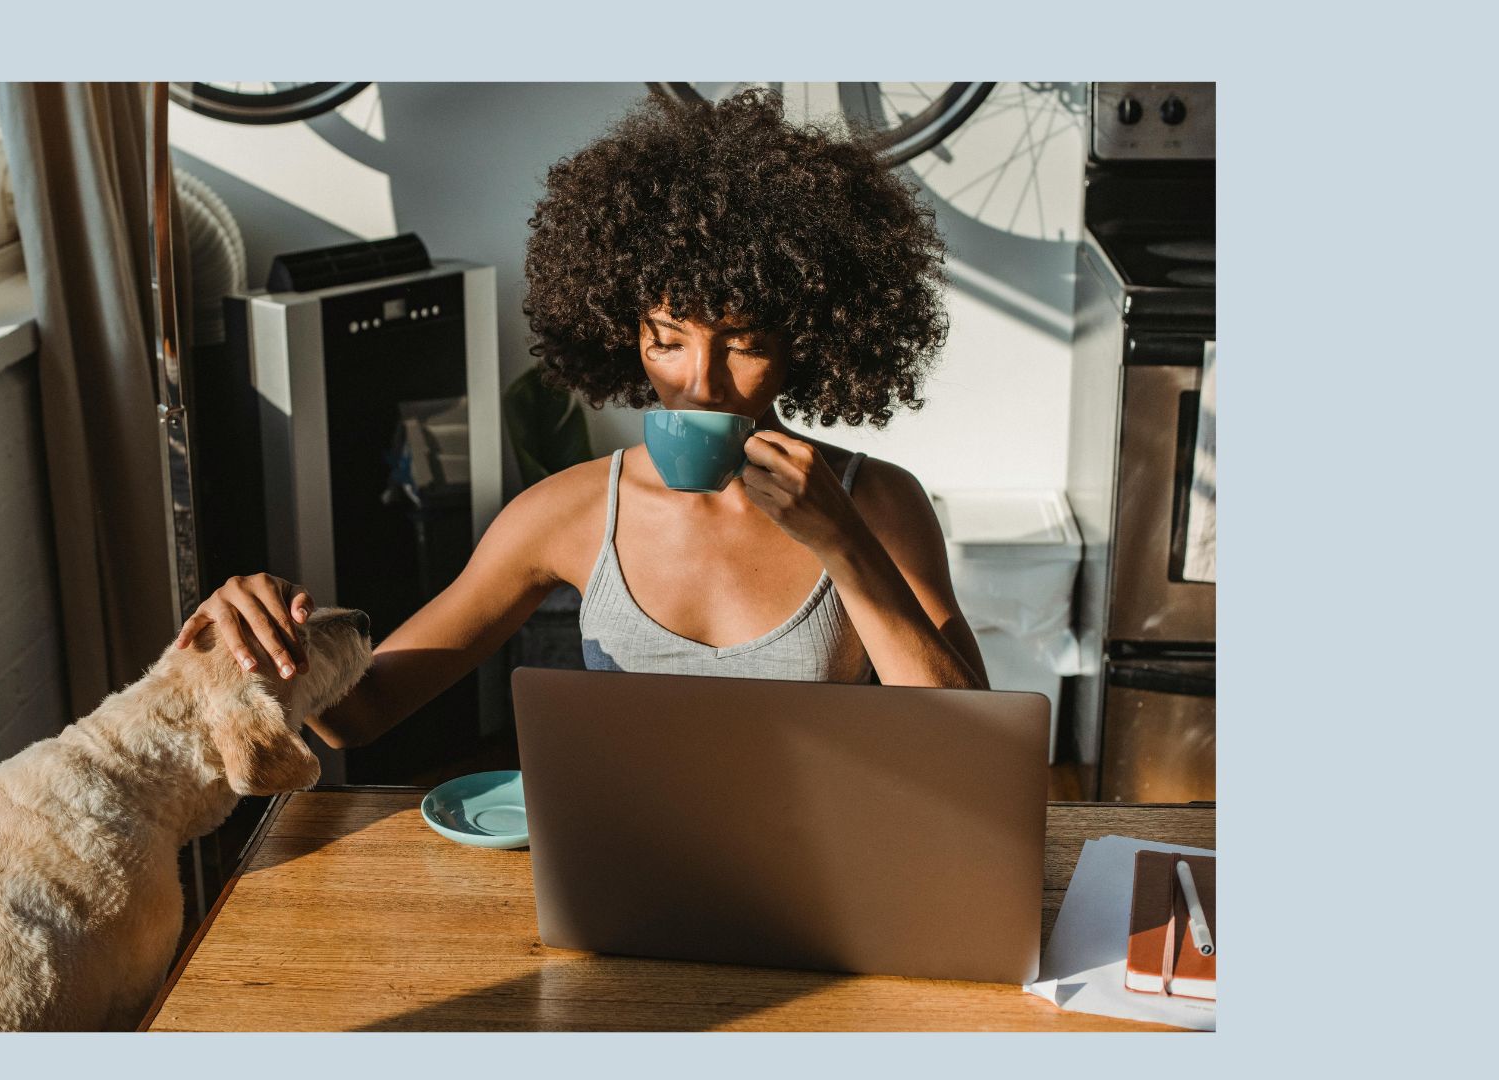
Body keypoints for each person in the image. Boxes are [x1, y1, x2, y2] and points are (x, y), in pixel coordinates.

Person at [173, 88, 988, 751]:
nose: (700, 382)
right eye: (667, 340)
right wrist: (267, 636)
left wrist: (844, 544)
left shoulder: (874, 503)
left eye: (743, 343)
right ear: (624, 332)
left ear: (805, 343)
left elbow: (970, 742)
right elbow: (362, 714)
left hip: (823, 862)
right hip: (621, 862)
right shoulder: (566, 514)